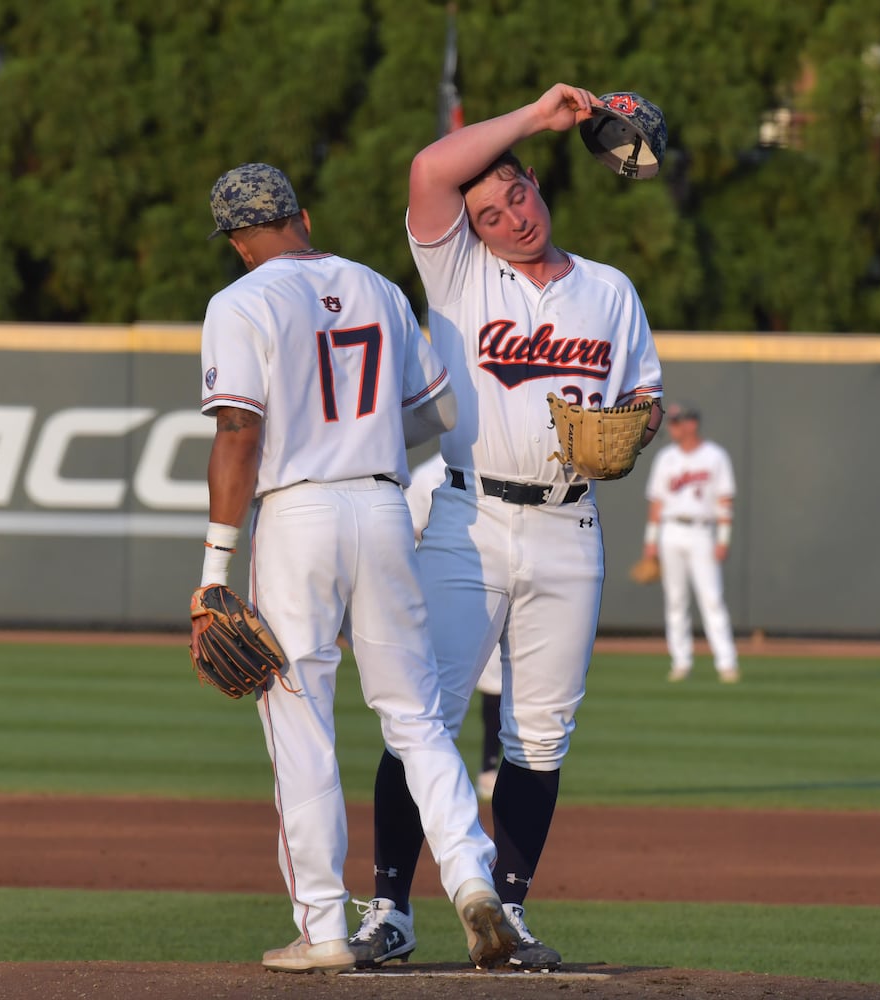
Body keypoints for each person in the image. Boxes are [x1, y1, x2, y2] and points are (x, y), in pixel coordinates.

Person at [352, 84, 664, 972]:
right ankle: (389, 909)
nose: (510, 219)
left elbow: (645, 392)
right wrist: (537, 115)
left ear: (537, 187)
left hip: (571, 526)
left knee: (541, 735)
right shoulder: (458, 272)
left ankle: (511, 912)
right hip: (470, 515)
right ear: (473, 228)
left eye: (516, 196)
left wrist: (634, 429)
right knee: (425, 718)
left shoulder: (609, 291)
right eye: (488, 213)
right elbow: (427, 168)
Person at [197, 162, 515, 974]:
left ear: (237, 240)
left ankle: (325, 929)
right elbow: (438, 410)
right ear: (302, 215)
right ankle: (474, 883)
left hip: (297, 513)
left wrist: (213, 569)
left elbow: (237, 429)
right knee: (415, 716)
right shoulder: (376, 284)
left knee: (300, 718)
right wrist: (362, 442)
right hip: (380, 505)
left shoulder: (240, 302)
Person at [403, 451, 503, 802]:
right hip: (438, 585)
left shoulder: (494, 464)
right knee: (434, 693)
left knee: (495, 683)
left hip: (490, 585)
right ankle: (428, 775)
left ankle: (490, 766)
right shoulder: (427, 474)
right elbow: (407, 531)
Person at [640, 404, 740, 684]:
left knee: (712, 598)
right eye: (671, 422)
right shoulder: (666, 458)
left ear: (692, 424)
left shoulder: (715, 456)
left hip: (702, 531)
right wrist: (650, 541)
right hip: (670, 531)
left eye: (677, 422)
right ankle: (681, 662)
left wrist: (723, 539)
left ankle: (726, 663)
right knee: (675, 600)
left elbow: (725, 500)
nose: (672, 427)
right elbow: (657, 503)